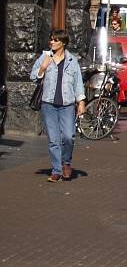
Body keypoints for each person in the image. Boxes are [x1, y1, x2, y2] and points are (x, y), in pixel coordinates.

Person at [31, 30, 87, 182]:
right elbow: (33, 76)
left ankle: (66, 162)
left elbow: (78, 83)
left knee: (68, 136)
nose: (52, 42)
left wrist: (81, 102)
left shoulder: (72, 60)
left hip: (67, 104)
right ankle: (56, 170)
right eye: (51, 39)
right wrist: (42, 68)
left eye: (55, 40)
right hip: (48, 104)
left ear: (63, 43)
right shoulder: (45, 57)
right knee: (54, 140)